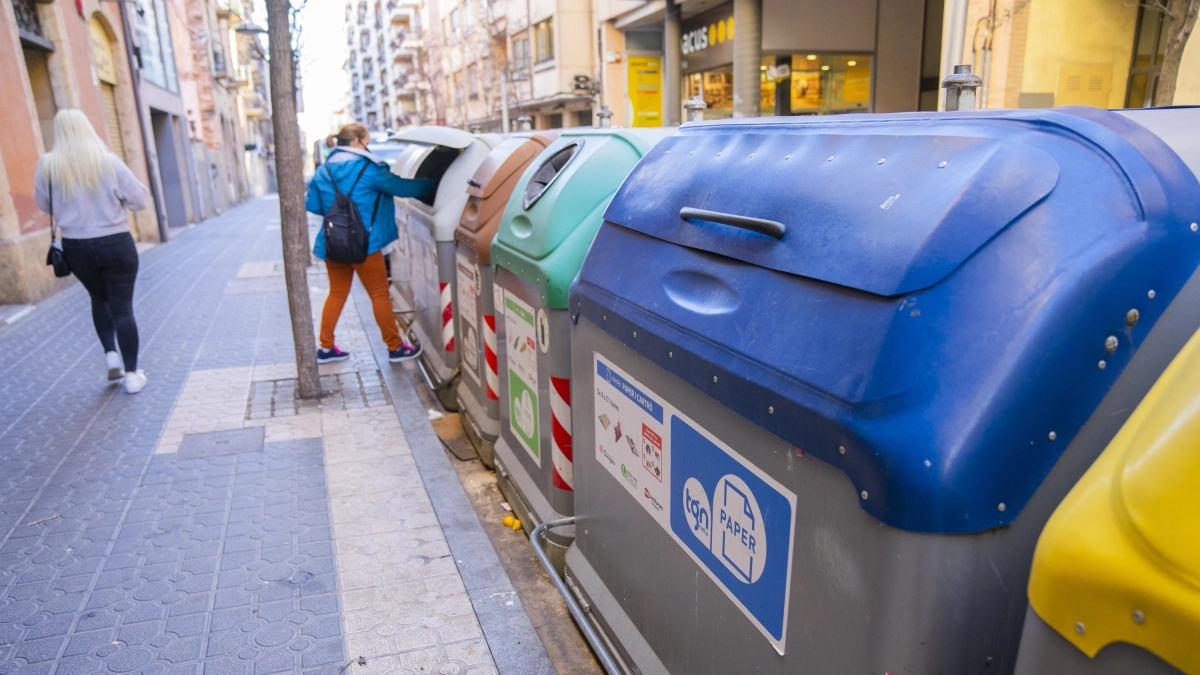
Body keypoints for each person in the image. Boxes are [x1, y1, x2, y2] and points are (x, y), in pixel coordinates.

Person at [34, 109, 152, 394]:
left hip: (77, 247)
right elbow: (139, 200)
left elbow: (44, 204)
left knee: (99, 298)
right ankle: (132, 375)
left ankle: (111, 354)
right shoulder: (108, 162)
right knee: (123, 308)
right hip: (116, 242)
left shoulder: (47, 165)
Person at [305, 123, 431, 364]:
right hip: (366, 245)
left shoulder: (323, 171)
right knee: (378, 294)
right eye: (367, 142)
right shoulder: (369, 169)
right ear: (356, 142)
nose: (368, 146)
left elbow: (313, 205)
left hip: (333, 243)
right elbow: (403, 188)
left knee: (337, 293)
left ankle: (326, 347)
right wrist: (433, 182)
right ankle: (395, 348)